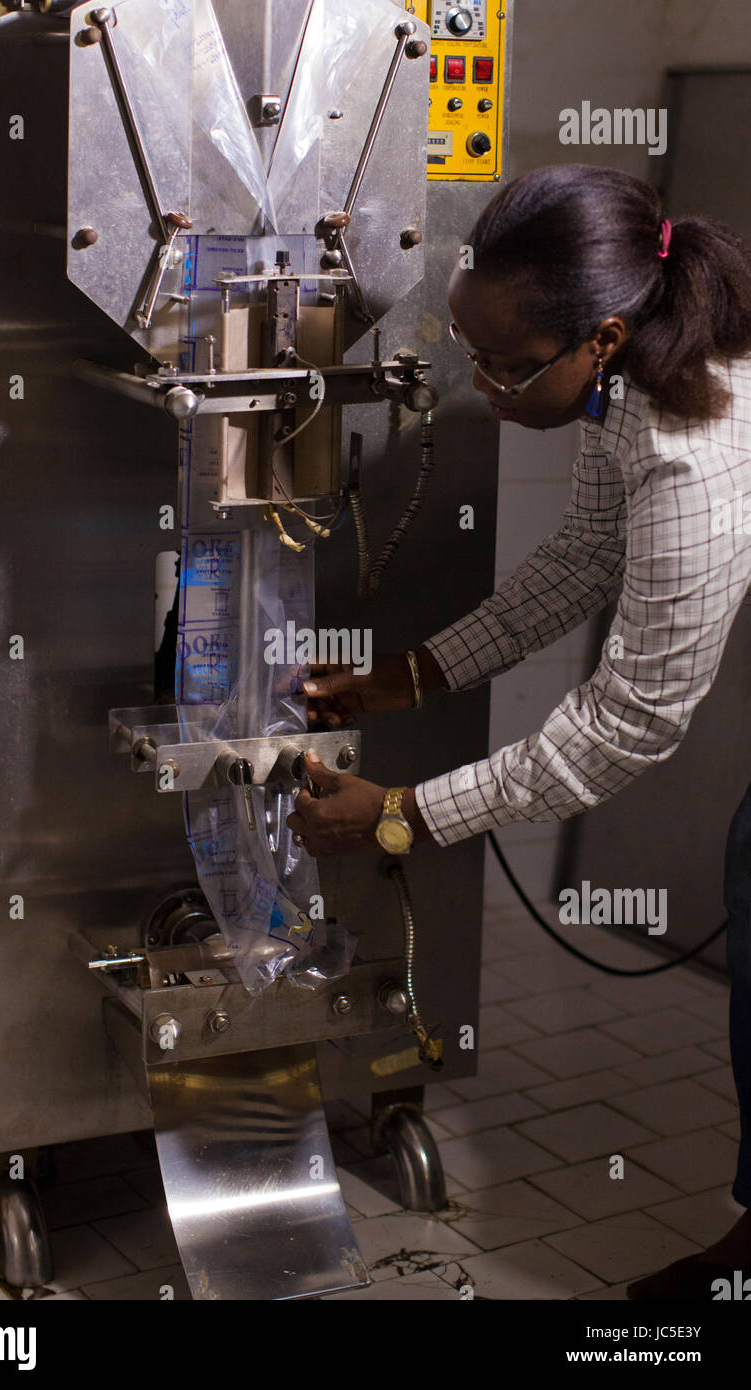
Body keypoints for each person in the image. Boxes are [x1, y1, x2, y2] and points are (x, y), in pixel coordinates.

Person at [286, 163, 751, 1300]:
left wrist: (403, 815)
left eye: (505, 366)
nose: (483, 389)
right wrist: (409, 673)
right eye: (469, 352)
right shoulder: (628, 384)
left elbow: (625, 726)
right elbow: (581, 558)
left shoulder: (692, 451)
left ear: (595, 338)